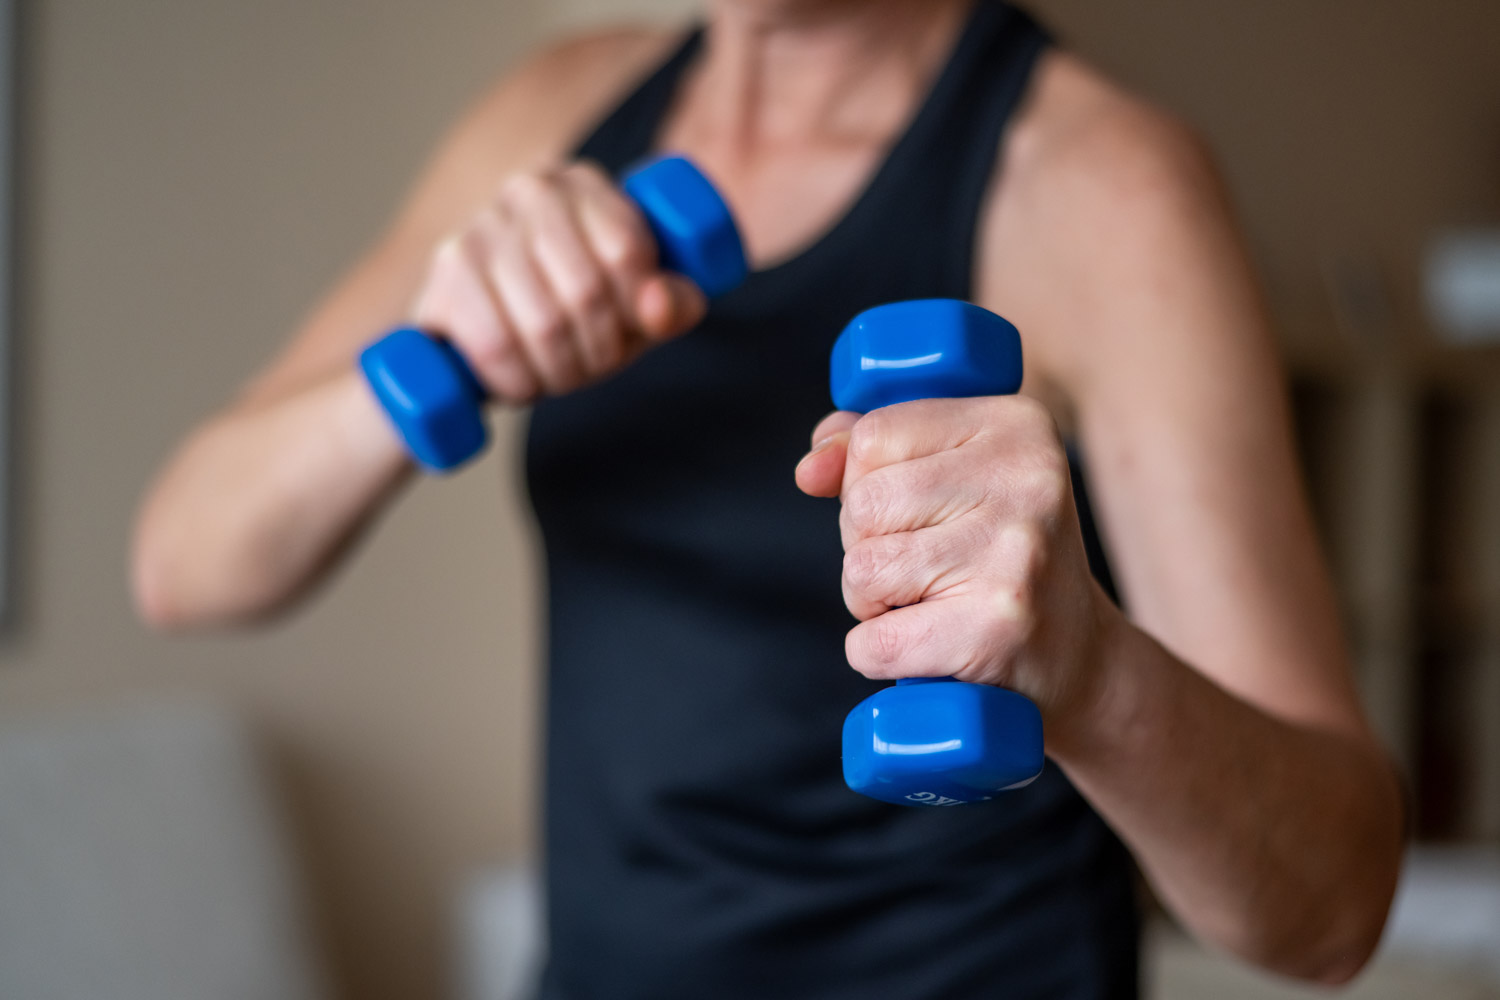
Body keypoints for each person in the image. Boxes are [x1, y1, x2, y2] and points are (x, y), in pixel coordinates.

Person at [132, 1, 1406, 996]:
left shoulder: (1102, 186)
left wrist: (1090, 669)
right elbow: (186, 565)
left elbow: (1334, 906)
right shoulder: (556, 112)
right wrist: (441, 355)